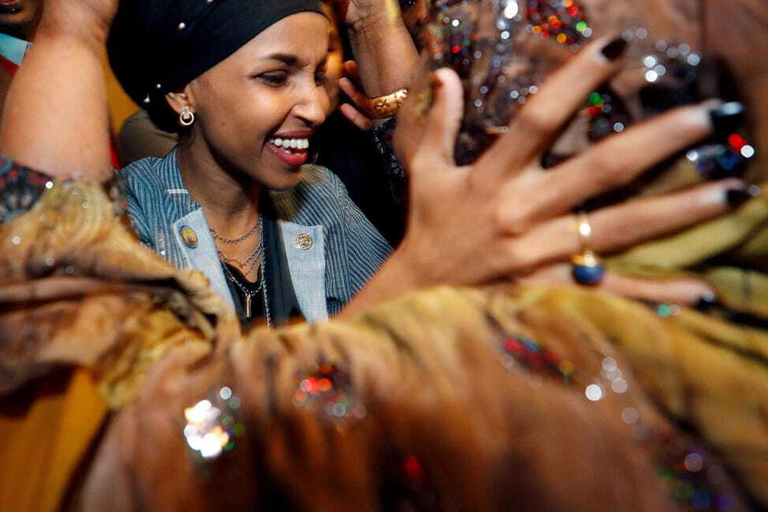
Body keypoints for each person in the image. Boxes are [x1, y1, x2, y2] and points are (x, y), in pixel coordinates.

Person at [1, 0, 767, 510]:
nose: (319, 104)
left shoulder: (338, 212)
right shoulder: (131, 208)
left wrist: (73, 32)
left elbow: (87, 402)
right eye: (276, 76)